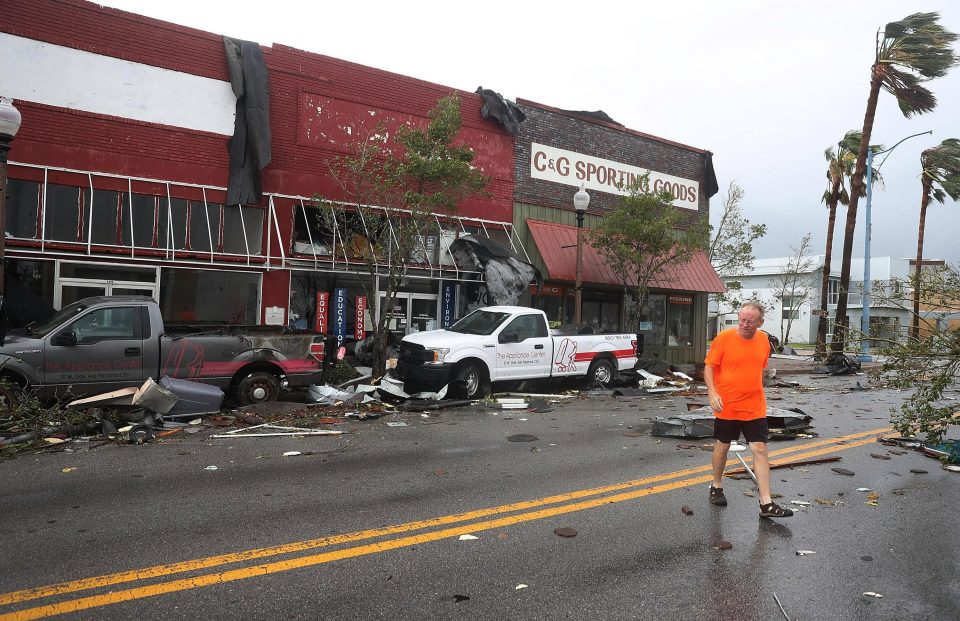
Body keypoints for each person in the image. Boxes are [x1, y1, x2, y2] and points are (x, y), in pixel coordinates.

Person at [704, 301, 793, 518]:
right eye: (741, 319)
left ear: (759, 323)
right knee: (723, 446)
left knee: (760, 449)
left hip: (754, 406)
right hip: (727, 405)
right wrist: (712, 393)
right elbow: (709, 367)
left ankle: (766, 503)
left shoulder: (763, 341)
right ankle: (716, 486)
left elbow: (759, 368)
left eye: (749, 321)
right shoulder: (723, 339)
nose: (744, 324)